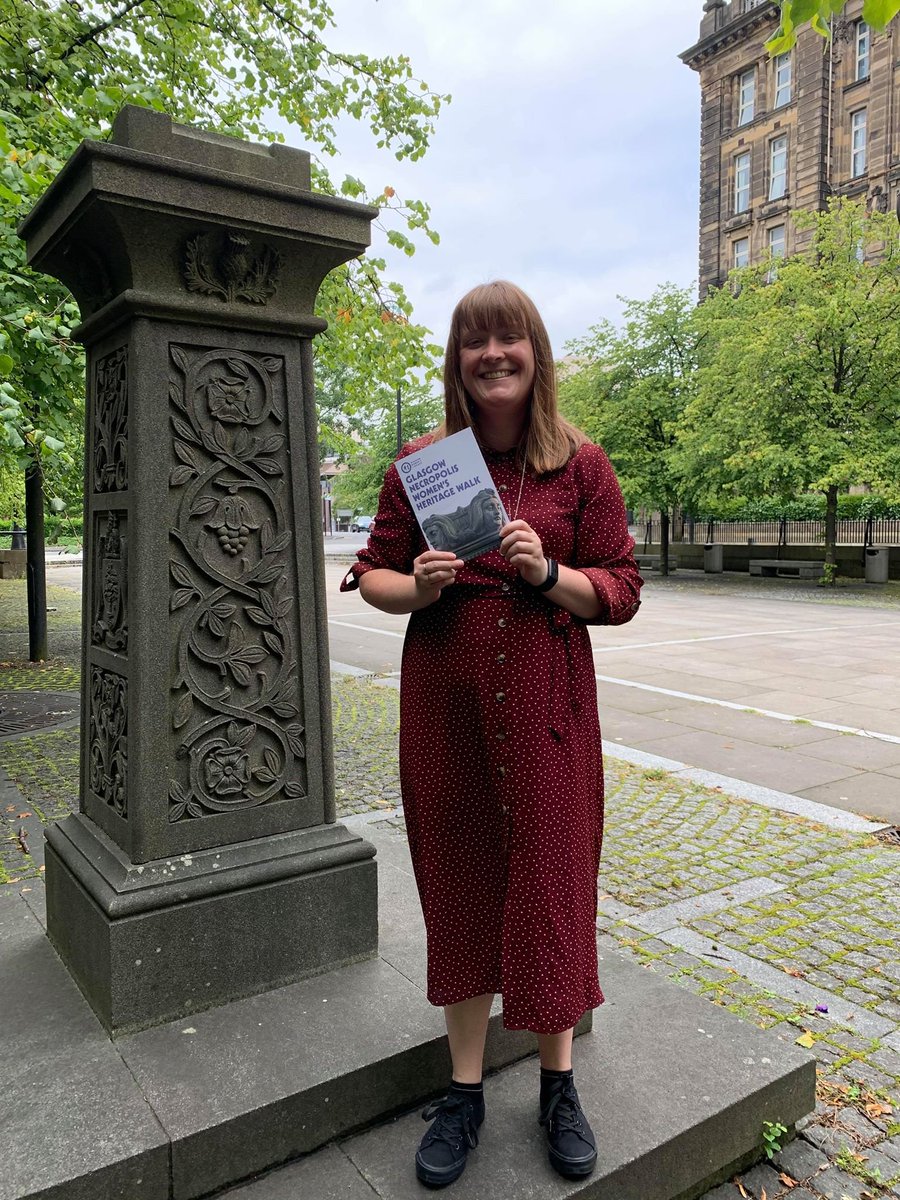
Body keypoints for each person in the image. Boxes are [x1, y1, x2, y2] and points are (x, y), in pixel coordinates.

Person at [341, 280, 642, 1187]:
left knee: (550, 889)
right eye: (475, 342)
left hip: (550, 707)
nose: (493, 355)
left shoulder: (581, 466)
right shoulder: (423, 463)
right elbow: (369, 575)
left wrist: (550, 571)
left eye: (509, 339)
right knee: (464, 882)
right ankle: (464, 1091)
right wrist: (422, 583)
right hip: (448, 712)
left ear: (535, 353)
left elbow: (621, 589)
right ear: (458, 361)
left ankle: (558, 1085)